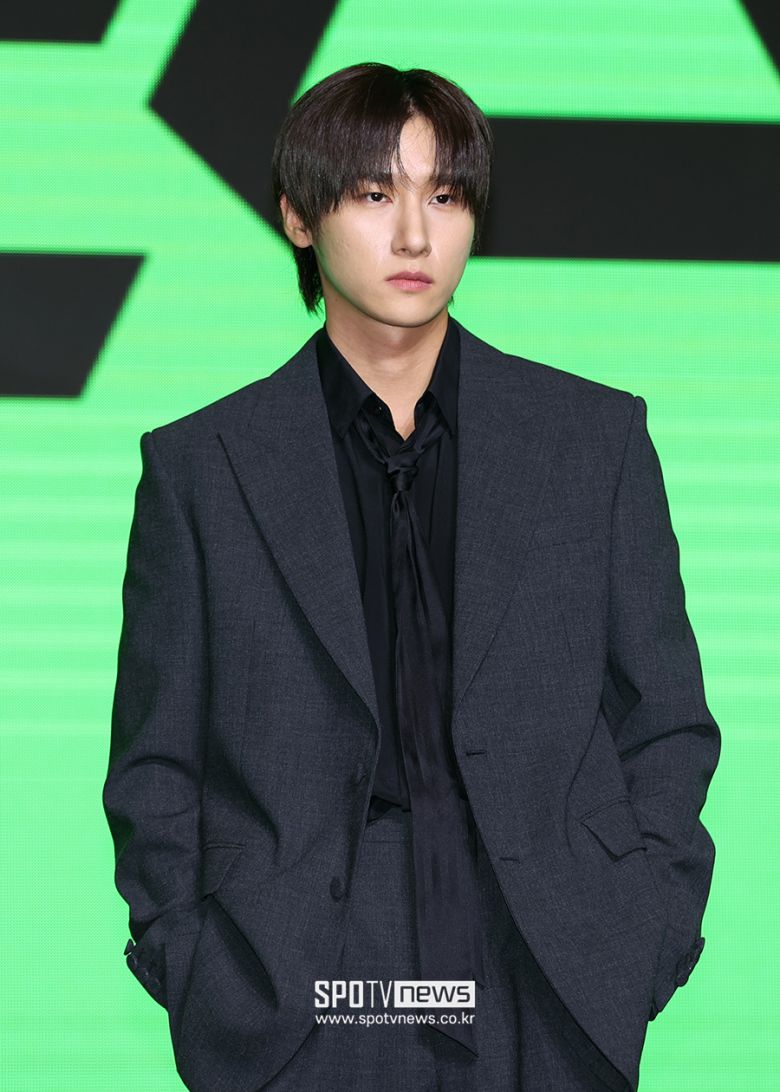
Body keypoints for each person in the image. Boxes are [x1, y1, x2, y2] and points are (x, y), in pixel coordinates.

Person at [102, 62, 720, 1092]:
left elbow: (665, 722)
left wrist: (641, 934)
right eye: (372, 192)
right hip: (296, 973)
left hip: (544, 960)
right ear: (298, 217)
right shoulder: (203, 467)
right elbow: (156, 761)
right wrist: (199, 963)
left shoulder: (592, 440)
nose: (414, 235)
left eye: (445, 195)